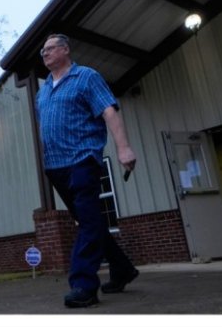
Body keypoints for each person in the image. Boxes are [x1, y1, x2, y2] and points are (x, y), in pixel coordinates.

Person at [35, 34, 139, 308]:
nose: (44, 53)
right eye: (42, 51)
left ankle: (83, 284)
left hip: (82, 159)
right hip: (55, 166)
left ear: (65, 49)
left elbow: (109, 112)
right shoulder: (42, 90)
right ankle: (122, 269)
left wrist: (123, 148)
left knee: (89, 221)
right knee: (89, 220)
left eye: (49, 48)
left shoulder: (87, 77)